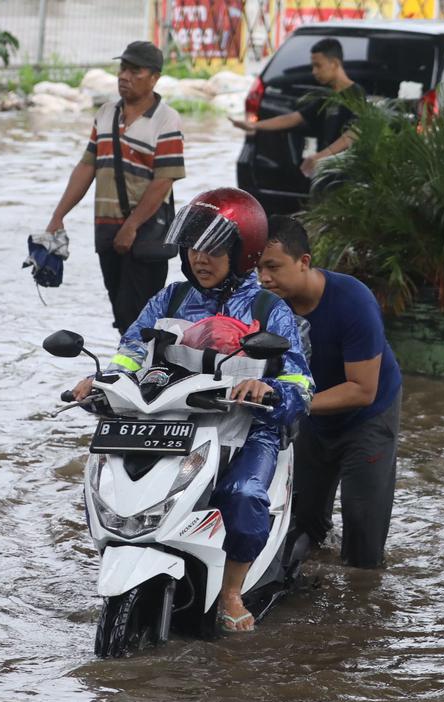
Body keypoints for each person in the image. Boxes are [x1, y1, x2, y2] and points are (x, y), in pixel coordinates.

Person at [70, 188, 314, 631]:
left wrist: (270, 389)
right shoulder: (169, 300)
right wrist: (100, 380)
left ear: (244, 253)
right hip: (171, 420)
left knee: (242, 495)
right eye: (194, 247)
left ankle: (232, 591)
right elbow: (131, 351)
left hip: (244, 424)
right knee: (107, 481)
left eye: (216, 249)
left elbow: (299, 380)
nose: (201, 258)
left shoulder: (268, 308)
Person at [257, 217, 403, 568]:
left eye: (273, 267)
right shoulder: (266, 305)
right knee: (301, 521)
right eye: (258, 268)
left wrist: (291, 403)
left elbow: (362, 390)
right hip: (311, 411)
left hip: (366, 415)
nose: (263, 278)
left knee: (363, 540)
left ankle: (360, 606)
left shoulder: (353, 302)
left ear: (304, 262)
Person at [46, 41, 185, 334]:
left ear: (154, 78)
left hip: (147, 232)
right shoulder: (106, 114)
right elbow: (87, 167)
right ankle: (130, 370)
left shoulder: (166, 119)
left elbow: (164, 180)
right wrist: (58, 216)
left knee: (139, 315)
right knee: (120, 310)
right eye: (123, 68)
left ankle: (141, 373)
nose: (125, 76)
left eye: (135, 71)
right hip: (107, 227)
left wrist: (132, 226)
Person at [230, 38, 362, 177]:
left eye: (318, 66)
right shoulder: (327, 97)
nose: (314, 72)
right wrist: (254, 126)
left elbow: (355, 132)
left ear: (334, 63)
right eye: (313, 66)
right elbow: (294, 118)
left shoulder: (355, 93)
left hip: (344, 174)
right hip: (325, 171)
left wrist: (321, 156)